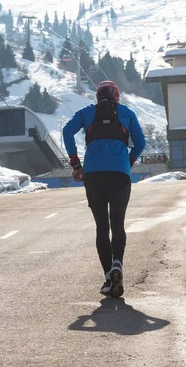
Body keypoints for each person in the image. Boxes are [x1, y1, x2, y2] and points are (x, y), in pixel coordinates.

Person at [63, 80, 146, 297]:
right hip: (119, 173)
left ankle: (109, 276)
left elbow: (66, 131)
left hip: (93, 174)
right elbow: (141, 142)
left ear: (97, 97)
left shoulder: (86, 112)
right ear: (116, 96)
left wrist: (75, 163)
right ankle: (118, 262)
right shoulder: (127, 113)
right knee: (117, 223)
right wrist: (128, 161)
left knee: (102, 226)